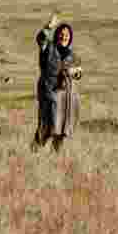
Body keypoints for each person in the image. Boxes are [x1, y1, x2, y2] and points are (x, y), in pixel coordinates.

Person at [33, 13, 82, 152]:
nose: (64, 36)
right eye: (61, 33)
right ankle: (34, 152)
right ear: (56, 34)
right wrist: (49, 27)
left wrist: (75, 72)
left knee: (61, 129)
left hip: (66, 97)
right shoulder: (48, 48)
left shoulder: (73, 56)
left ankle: (56, 156)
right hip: (49, 93)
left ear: (70, 37)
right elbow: (40, 38)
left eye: (67, 35)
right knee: (46, 127)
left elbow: (79, 73)